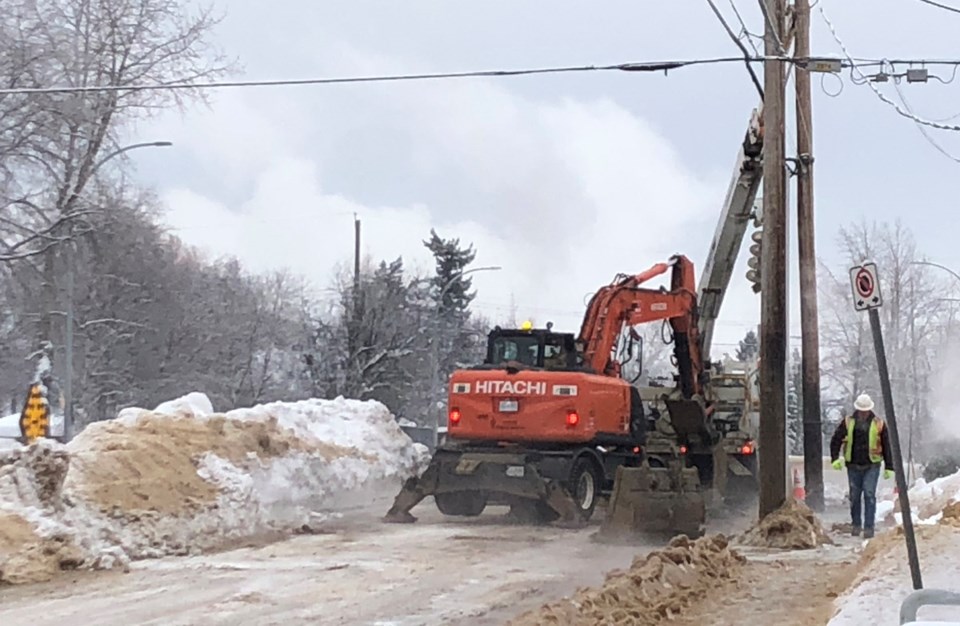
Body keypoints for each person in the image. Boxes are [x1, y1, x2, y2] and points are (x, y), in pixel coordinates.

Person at [829, 393, 895, 538]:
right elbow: (836, 439)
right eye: (861, 410)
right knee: (855, 496)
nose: (863, 413)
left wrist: (890, 466)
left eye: (865, 410)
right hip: (853, 465)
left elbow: (886, 445)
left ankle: (869, 527)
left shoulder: (879, 424)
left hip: (872, 464)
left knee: (869, 494)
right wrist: (835, 457)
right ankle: (856, 524)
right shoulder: (848, 422)